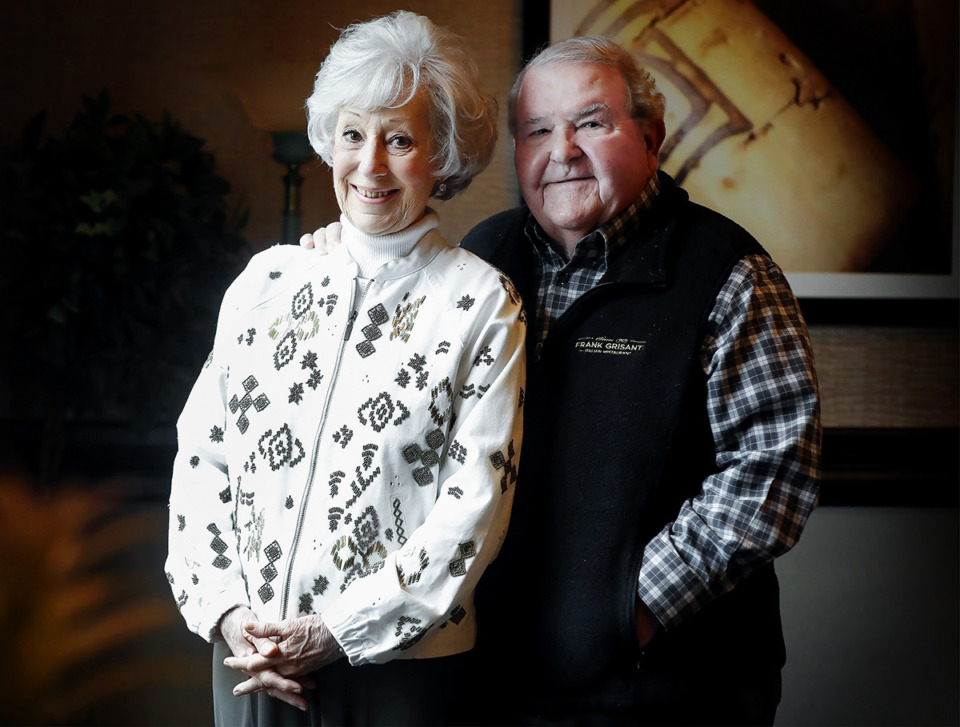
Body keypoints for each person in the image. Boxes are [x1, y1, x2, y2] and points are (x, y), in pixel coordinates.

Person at [165, 11, 526, 726]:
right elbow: (203, 460)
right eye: (353, 134)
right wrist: (229, 613)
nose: (370, 164)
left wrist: (337, 631)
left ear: (442, 153)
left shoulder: (481, 302)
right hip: (252, 662)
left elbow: (475, 507)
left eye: (400, 138)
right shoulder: (266, 281)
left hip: (399, 670)